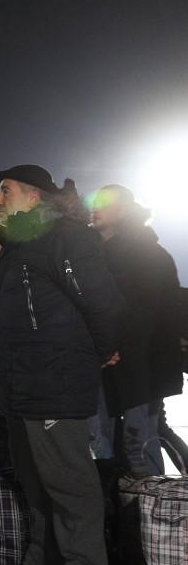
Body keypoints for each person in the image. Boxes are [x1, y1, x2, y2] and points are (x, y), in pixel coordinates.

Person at [0, 164, 122, 565]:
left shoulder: (66, 237)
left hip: (53, 378)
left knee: (68, 482)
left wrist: (98, 352)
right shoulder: (18, 245)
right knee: (35, 480)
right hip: (21, 382)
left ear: (34, 196)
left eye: (4, 191)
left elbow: (101, 302)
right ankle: (44, 560)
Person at [89, 184, 182, 477]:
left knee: (138, 443)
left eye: (104, 202)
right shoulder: (88, 255)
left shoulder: (148, 251)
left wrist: (112, 344)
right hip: (101, 361)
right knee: (101, 445)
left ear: (125, 208)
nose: (95, 207)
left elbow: (148, 309)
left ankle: (150, 516)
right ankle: (118, 517)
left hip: (141, 363)